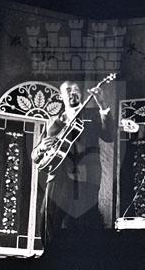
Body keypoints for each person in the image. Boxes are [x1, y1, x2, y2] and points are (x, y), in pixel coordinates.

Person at [32, 80, 115, 252]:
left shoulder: (92, 116)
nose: (73, 92)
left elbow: (109, 135)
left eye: (76, 89)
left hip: (86, 177)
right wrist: (41, 148)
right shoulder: (52, 121)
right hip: (57, 176)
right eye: (68, 90)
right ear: (61, 96)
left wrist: (102, 105)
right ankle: (50, 257)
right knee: (48, 219)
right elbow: (35, 156)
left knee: (83, 223)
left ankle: (81, 261)